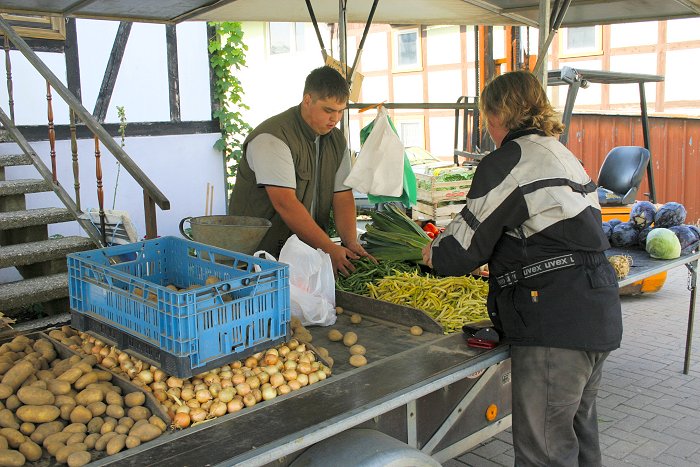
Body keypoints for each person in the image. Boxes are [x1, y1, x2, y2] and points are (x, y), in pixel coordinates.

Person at [422, 70, 622, 467]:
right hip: (596, 310)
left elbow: (463, 248)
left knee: (544, 453)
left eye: (486, 117)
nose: (486, 126)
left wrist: (434, 253)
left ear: (498, 114)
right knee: (579, 442)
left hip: (555, 322)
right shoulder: (562, 153)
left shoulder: (509, 160)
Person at [228, 66, 372, 276]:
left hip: (302, 256)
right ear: (307, 100)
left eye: (341, 111)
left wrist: (350, 242)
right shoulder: (272, 138)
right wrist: (329, 248)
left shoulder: (336, 140)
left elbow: (342, 195)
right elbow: (285, 203)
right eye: (328, 110)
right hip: (256, 259)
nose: (335, 119)